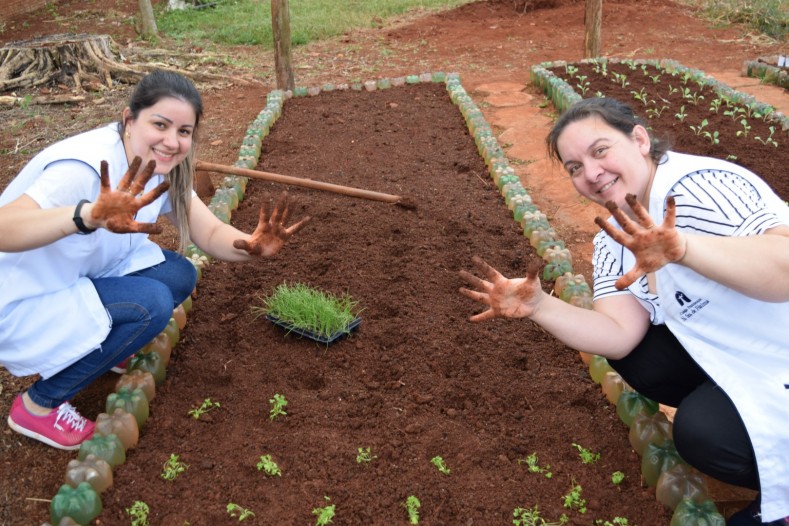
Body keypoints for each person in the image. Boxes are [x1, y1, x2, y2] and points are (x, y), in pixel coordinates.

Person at [459, 97, 789, 525]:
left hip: (777, 346)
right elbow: (618, 333)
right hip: (744, 350)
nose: (591, 174)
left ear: (639, 139)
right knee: (640, 357)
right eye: (574, 167)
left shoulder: (700, 186)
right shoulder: (615, 236)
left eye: (600, 151)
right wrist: (539, 305)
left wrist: (686, 249)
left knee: (705, 433)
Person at [0, 70, 310, 451]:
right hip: (22, 293)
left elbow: (209, 234)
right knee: (152, 306)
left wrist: (251, 245)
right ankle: (39, 405)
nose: (172, 141)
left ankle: (106, 347)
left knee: (178, 274)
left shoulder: (164, 170)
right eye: (160, 125)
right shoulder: (82, 168)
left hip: (75, 274)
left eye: (184, 131)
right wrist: (86, 216)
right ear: (129, 120)